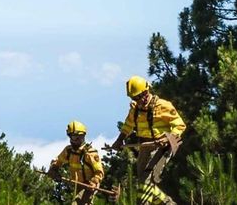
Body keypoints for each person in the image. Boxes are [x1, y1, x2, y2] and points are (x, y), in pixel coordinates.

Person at [108, 76, 185, 205]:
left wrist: (167, 138)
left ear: (147, 90)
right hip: (145, 146)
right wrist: (119, 140)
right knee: (143, 182)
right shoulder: (135, 109)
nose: (139, 100)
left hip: (162, 148)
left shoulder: (163, 106)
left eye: (141, 95)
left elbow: (180, 125)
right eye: (135, 98)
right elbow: (128, 125)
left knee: (146, 180)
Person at [47, 121, 106, 204]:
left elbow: (99, 171)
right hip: (77, 185)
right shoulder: (68, 151)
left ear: (82, 137)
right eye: (71, 137)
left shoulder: (90, 153)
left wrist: (94, 182)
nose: (73, 140)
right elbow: (58, 161)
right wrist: (53, 169)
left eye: (75, 138)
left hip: (89, 185)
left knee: (77, 203)